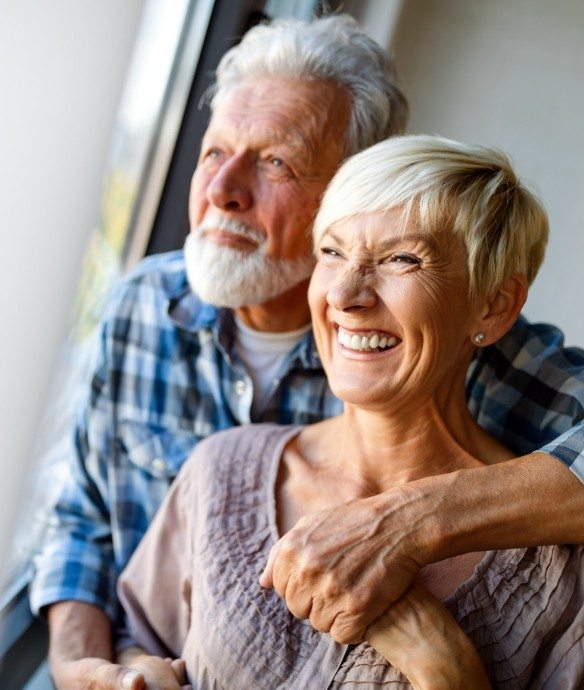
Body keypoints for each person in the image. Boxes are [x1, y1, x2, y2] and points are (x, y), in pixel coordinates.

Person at [29, 14, 584, 690]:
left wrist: (408, 524)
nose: (220, 191)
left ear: (359, 185)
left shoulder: (483, 354)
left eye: (274, 163)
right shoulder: (144, 305)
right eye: (213, 153)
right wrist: (80, 666)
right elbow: (82, 517)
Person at [117, 135, 584, 689]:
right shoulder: (221, 468)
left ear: (495, 304)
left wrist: (443, 663)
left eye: (401, 259)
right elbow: (136, 640)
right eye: (332, 252)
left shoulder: (563, 573)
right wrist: (142, 674)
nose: (345, 294)